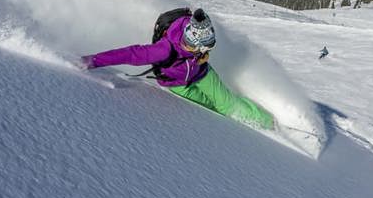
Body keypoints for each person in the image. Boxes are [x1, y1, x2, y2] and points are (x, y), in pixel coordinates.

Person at [80, 8, 274, 129]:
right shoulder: (164, 50)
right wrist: (94, 61)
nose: (206, 50)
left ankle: (266, 123)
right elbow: (130, 54)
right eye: (204, 48)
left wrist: (200, 58)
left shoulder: (195, 29)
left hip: (202, 74)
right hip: (178, 85)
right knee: (211, 110)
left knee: (228, 105)